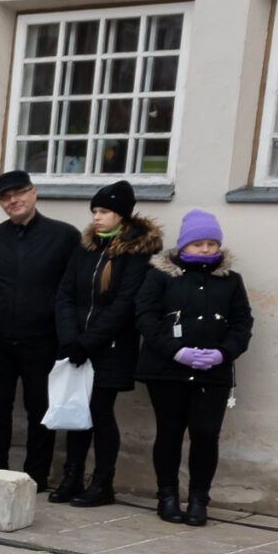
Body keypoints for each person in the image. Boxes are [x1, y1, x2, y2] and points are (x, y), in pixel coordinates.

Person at [49, 181, 163, 506]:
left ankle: (102, 483)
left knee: (99, 411)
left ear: (122, 215)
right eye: (95, 211)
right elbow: (66, 293)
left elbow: (125, 304)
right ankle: (71, 476)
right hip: (76, 347)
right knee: (75, 410)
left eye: (104, 211)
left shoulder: (139, 251)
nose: (97, 217)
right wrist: (71, 339)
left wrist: (89, 342)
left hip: (111, 348)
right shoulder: (86, 247)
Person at [135, 209, 251, 526]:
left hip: (212, 374)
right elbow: (146, 317)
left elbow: (242, 324)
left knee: (205, 434)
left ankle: (199, 500)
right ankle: (168, 496)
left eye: (211, 243)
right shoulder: (160, 275)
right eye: (198, 243)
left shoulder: (231, 281)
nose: (205, 249)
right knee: (169, 433)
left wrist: (222, 354)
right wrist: (178, 352)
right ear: (184, 245)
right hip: (167, 370)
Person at [0, 169, 81, 485]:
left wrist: (67, 333)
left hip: (43, 338)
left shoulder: (64, 236)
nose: (13, 201)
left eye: (19, 193)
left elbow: (73, 289)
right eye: (6, 198)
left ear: (34, 193)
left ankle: (36, 475)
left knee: (40, 410)